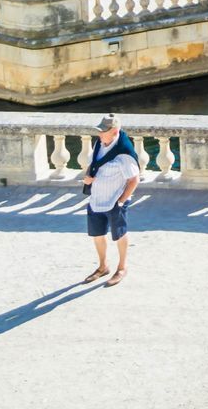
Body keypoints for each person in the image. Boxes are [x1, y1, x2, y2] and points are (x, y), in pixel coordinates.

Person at [81, 114, 142, 286]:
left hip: (115, 201)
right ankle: (103, 267)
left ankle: (122, 268)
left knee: (119, 235)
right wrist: (88, 176)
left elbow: (134, 179)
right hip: (96, 199)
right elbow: (93, 163)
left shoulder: (124, 153)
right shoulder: (99, 144)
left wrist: (121, 201)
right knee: (97, 234)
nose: (99, 134)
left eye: (103, 131)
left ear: (114, 131)